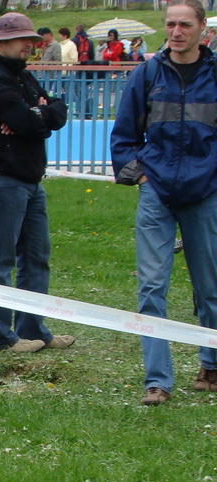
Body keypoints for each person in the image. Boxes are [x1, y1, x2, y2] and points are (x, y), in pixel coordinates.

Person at [110, 0, 217, 404]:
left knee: (210, 286)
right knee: (151, 288)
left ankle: (212, 365)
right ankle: (157, 381)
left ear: (201, 28)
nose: (176, 31)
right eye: (170, 24)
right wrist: (140, 173)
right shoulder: (147, 74)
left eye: (185, 24)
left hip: (205, 193)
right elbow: (123, 136)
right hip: (157, 192)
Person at [0, 13, 73, 353]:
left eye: (31, 38)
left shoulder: (22, 76)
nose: (30, 44)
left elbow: (58, 112)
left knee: (36, 258)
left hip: (30, 180)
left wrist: (39, 113)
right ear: (1, 42)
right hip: (3, 179)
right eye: (21, 39)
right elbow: (23, 121)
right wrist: (35, 115)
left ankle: (33, 329)